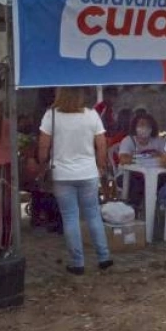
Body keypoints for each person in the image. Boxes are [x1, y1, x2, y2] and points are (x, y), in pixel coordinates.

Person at [37, 87, 112, 275]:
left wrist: (43, 163)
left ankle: (77, 263)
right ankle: (104, 257)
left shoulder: (51, 115)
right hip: (88, 172)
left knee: (70, 217)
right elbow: (102, 144)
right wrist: (100, 166)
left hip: (62, 174)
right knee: (93, 215)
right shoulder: (92, 114)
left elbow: (43, 147)